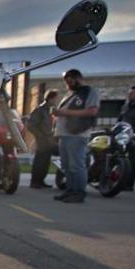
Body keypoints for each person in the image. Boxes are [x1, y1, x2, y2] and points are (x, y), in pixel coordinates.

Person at [52, 69, 99, 203]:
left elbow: (92, 111)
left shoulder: (89, 92)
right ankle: (70, 190)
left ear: (78, 78)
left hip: (77, 134)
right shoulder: (71, 94)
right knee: (66, 165)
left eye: (70, 80)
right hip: (64, 134)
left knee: (76, 165)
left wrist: (65, 112)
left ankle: (79, 192)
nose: (68, 83)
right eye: (66, 81)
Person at [27, 89, 58, 188]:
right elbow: (31, 125)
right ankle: (35, 181)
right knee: (39, 161)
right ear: (50, 99)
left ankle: (41, 180)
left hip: (48, 140)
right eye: (55, 99)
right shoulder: (40, 110)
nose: (56, 101)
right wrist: (39, 136)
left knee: (46, 161)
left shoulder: (49, 110)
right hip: (42, 140)